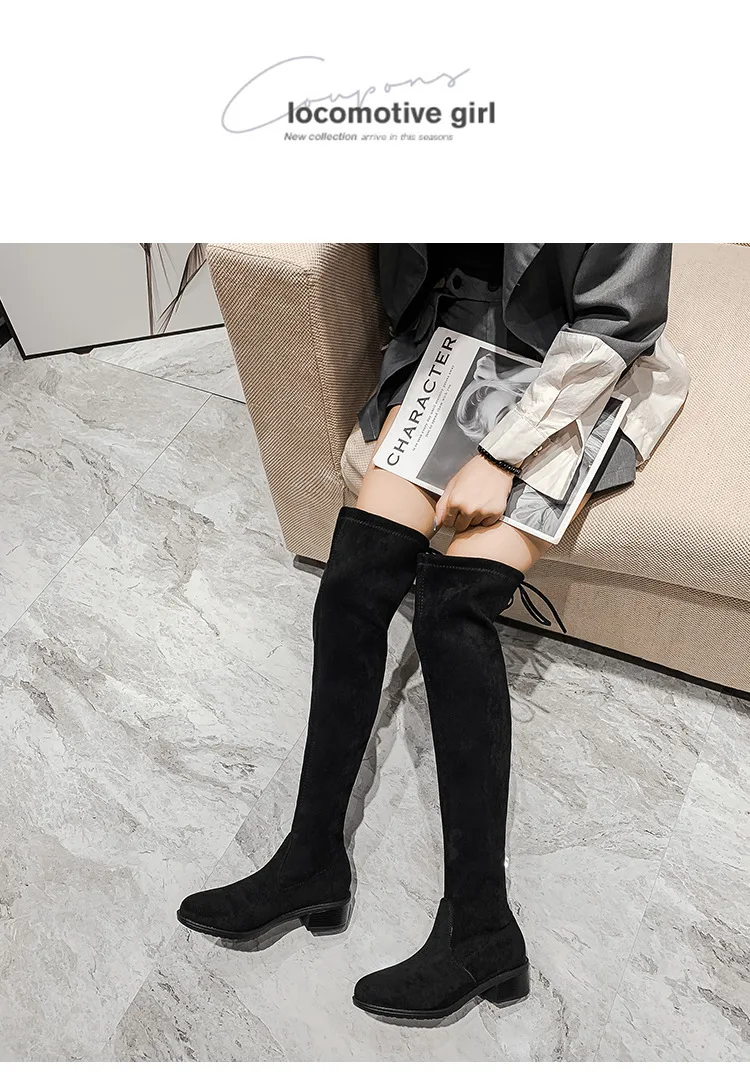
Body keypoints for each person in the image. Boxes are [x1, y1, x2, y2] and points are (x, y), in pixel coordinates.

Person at [177, 244, 691, 1021]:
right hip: (457, 353)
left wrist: (499, 455)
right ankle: (311, 858)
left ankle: (483, 929)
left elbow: (620, 319)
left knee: (453, 610)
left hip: (578, 371)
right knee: (353, 582)